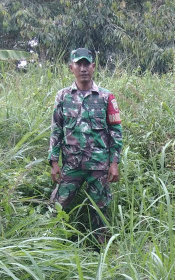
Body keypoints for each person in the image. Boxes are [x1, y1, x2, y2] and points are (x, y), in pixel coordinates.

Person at [48, 47, 123, 243]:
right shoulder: (62, 96)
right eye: (78, 64)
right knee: (57, 207)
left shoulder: (106, 97)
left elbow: (116, 131)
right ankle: (52, 245)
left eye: (86, 64)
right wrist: (54, 161)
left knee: (99, 212)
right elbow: (56, 129)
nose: (83, 68)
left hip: (99, 167)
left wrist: (114, 163)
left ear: (93, 67)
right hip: (71, 165)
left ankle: (100, 252)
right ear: (71, 67)